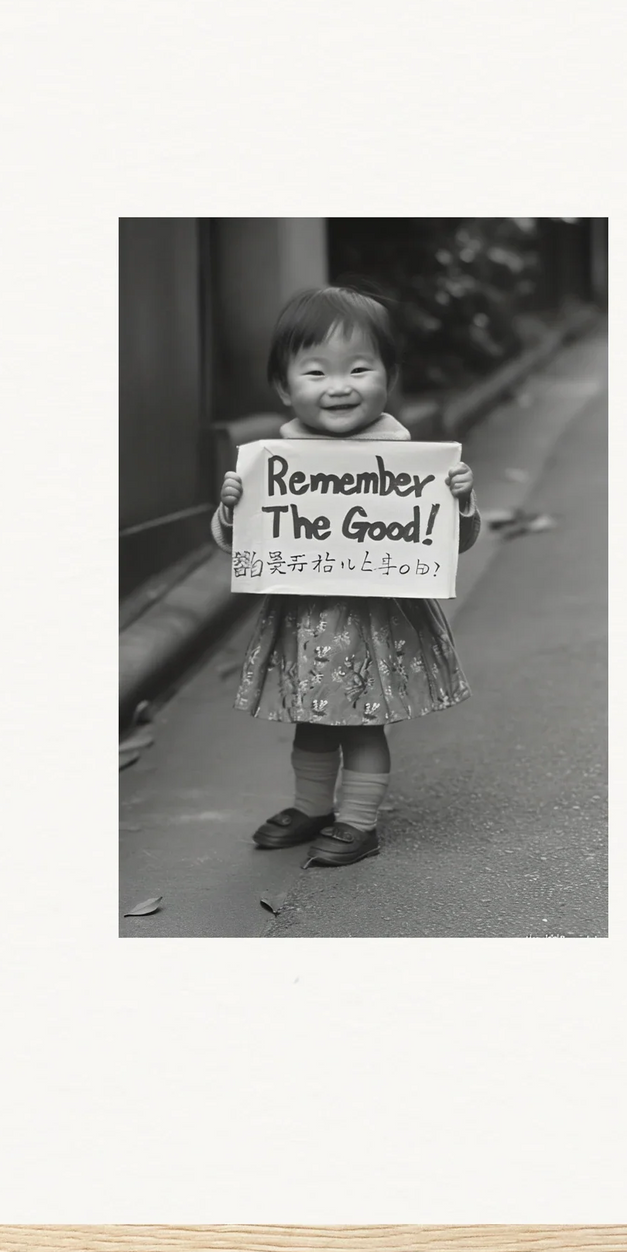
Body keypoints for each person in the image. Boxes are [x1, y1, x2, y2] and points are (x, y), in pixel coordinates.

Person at [213, 286, 480, 867]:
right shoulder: (273, 461)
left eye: (360, 368)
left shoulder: (407, 458)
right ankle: (312, 807)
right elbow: (246, 544)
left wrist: (460, 502)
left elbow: (445, 541)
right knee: (311, 720)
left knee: (361, 723)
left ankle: (358, 821)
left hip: (371, 619)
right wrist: (234, 508)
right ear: (285, 387)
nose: (339, 385)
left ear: (389, 377)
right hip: (304, 616)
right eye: (316, 372)